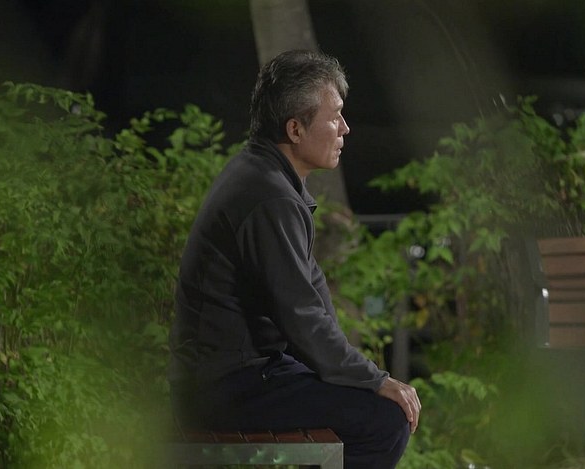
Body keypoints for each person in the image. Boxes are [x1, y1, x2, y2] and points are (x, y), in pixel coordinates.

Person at [167, 49, 420, 468]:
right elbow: (302, 318)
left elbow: (313, 301)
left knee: (362, 399)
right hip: (226, 387)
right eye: (334, 117)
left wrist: (359, 376)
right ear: (295, 129)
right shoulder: (270, 197)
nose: (345, 128)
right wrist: (375, 380)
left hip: (242, 374)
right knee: (385, 421)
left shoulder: (266, 176)